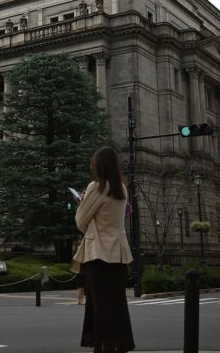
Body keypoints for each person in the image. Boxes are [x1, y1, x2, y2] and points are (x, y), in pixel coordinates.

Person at [72, 146, 135, 352]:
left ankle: (104, 348)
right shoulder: (122, 189)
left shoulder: (96, 187)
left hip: (99, 255)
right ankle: (119, 346)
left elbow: (81, 222)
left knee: (100, 307)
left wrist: (82, 204)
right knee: (117, 305)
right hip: (118, 255)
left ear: (98, 165)